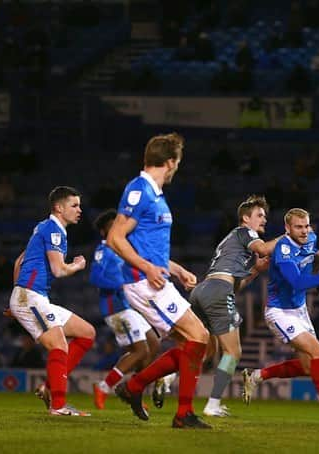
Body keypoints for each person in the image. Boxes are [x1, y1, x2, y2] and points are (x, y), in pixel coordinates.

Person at [108, 132, 211, 429]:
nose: (178, 167)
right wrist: (148, 269)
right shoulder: (139, 190)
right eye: (177, 161)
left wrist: (175, 269)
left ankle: (135, 387)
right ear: (169, 161)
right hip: (144, 281)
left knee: (190, 344)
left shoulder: (153, 193)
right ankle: (182, 414)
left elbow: (147, 247)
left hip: (153, 278)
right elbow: (115, 238)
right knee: (199, 336)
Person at [241, 208, 319, 421]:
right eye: (298, 227)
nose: (304, 231)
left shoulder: (311, 238)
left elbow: (313, 259)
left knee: (307, 367)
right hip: (279, 312)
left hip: (299, 309)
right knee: (318, 351)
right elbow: (297, 282)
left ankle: (256, 376)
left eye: (306, 226)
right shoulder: (283, 249)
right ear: (287, 228)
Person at [189, 195, 279, 417]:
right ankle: (213, 405)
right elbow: (266, 249)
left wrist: (256, 270)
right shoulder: (245, 232)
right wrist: (289, 236)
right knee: (234, 351)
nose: (264, 220)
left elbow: (236, 285)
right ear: (246, 218)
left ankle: (169, 376)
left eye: (265, 216)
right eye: (259, 215)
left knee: (208, 350)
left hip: (203, 290)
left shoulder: (231, 241)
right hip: (217, 290)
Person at [10, 186, 96, 416]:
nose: (79, 210)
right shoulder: (54, 230)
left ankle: (49, 387)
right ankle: (58, 405)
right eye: (74, 205)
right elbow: (58, 270)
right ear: (59, 208)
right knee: (59, 345)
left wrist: (17, 296)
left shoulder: (44, 227)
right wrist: (77, 265)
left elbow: (19, 261)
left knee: (87, 333)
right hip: (31, 295)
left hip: (31, 295)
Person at [89, 209, 174, 410]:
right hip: (116, 308)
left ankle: (133, 389)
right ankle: (104, 387)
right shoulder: (104, 249)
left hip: (132, 307)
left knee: (153, 346)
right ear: (104, 232)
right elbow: (95, 277)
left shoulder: (125, 250)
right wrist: (120, 284)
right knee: (140, 350)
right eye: (112, 225)